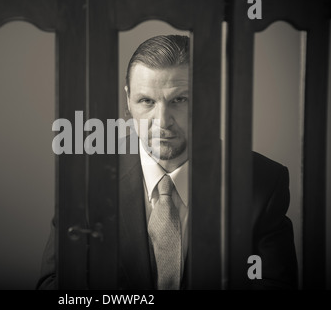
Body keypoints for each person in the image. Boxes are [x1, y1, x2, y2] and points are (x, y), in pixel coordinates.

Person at [37, 35, 298, 290]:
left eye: (179, 100)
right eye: (146, 101)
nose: (162, 120)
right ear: (128, 101)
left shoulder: (263, 181)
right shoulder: (83, 180)